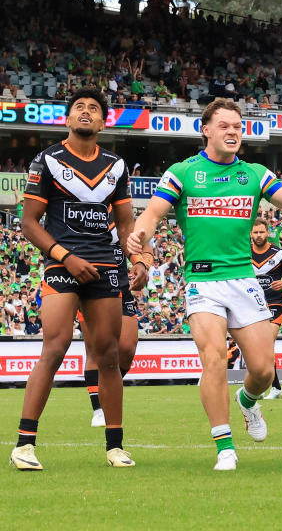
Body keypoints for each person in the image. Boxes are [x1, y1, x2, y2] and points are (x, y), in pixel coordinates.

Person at [127, 98, 282, 471]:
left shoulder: (255, 173)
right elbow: (152, 212)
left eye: (237, 126)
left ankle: (247, 402)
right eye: (224, 125)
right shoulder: (183, 172)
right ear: (206, 130)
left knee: (261, 371)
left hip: (243, 280)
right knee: (212, 358)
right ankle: (225, 446)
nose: (233, 132)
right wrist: (139, 233)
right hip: (203, 282)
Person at [11, 87, 137, 470]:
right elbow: (29, 222)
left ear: (103, 121)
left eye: (93, 108)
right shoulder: (46, 160)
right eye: (78, 107)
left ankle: (114, 446)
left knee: (110, 355)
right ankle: (24, 445)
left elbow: (126, 220)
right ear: (67, 118)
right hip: (61, 265)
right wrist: (66, 257)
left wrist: (140, 256)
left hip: (104, 268)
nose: (86, 112)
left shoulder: (116, 165)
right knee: (57, 344)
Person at [82, 207, 147, 427]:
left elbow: (142, 245)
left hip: (120, 285)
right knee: (95, 346)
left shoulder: (124, 216)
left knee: (128, 347)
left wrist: (142, 262)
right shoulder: (85, 209)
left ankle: (106, 390)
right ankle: (98, 408)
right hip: (90, 286)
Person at [250, 218, 282, 400]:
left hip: (274, 303)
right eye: (255, 232)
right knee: (255, 348)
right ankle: (260, 387)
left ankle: (275, 388)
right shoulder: (243, 253)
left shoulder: (279, 253)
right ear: (250, 234)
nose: (258, 236)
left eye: (261, 232)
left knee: (266, 343)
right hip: (252, 305)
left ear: (268, 233)